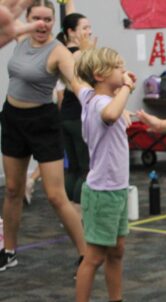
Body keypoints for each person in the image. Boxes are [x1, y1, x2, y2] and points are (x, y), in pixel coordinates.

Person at [68, 47, 152, 302]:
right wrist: (128, 87)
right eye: (118, 67)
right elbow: (110, 113)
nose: (123, 71)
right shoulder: (103, 102)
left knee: (117, 251)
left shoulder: (89, 96)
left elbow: (75, 82)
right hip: (102, 194)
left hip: (114, 192)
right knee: (93, 258)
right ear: (102, 75)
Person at [1, 0, 86, 272]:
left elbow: (76, 82)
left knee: (55, 195)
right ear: (28, 18)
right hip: (13, 118)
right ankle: (8, 251)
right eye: (37, 18)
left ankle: (86, 255)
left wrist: (100, 103)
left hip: (43, 123)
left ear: (53, 22)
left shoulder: (58, 51)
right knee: (13, 189)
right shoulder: (21, 36)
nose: (42, 24)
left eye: (48, 19)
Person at [56, 0, 91, 207]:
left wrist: (69, 4)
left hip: (66, 115)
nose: (88, 32)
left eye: (89, 28)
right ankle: (78, 211)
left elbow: (70, 14)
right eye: (85, 28)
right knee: (85, 168)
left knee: (74, 168)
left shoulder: (60, 50)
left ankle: (68, 212)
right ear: (71, 32)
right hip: (78, 115)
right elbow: (92, 76)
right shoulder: (76, 55)